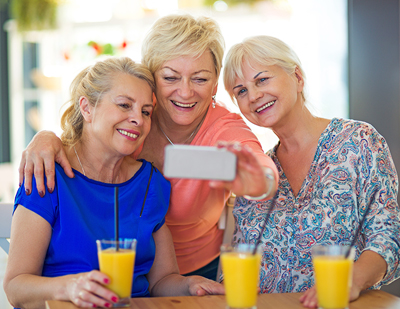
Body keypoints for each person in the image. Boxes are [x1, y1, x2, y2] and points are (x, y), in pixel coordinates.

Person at [16, 14, 279, 281]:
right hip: (123, 276)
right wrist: (46, 137)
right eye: (170, 77)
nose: (185, 92)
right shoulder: (130, 125)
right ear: (151, 78)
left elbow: (260, 167)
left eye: (199, 79)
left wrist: (259, 178)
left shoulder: (222, 131)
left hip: (189, 275)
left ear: (214, 83)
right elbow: (86, 138)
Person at [3, 57, 225, 309]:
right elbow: (15, 286)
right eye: (124, 105)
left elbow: (161, 280)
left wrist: (189, 285)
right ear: (86, 108)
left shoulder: (150, 182)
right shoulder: (47, 173)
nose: (138, 120)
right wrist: (69, 287)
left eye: (145, 112)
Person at [222, 35, 400, 307]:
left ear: (297, 77)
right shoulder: (258, 174)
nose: (254, 96)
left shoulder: (358, 141)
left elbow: (388, 236)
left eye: (262, 80)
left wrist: (352, 279)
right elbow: (239, 257)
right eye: (241, 91)